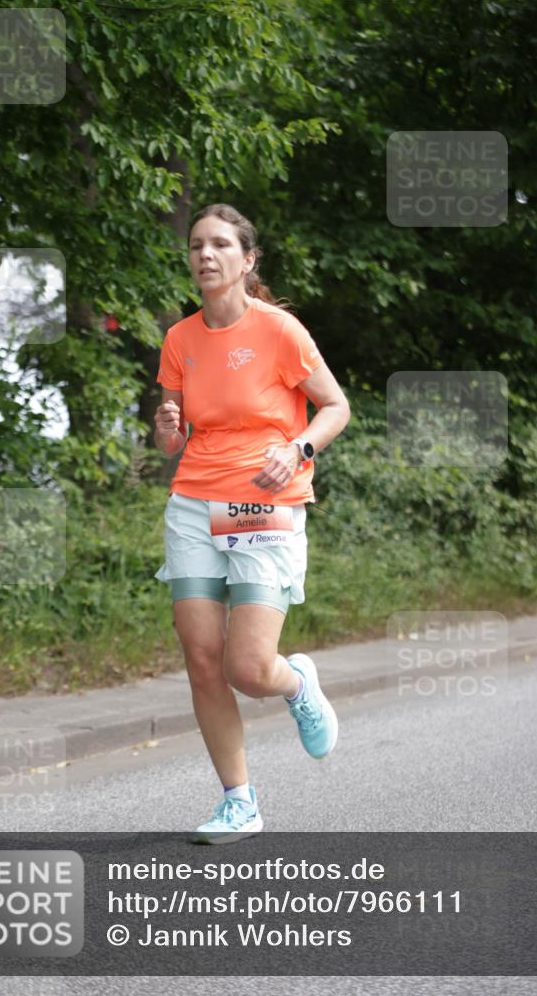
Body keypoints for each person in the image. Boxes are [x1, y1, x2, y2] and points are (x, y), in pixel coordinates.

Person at [153, 203, 351, 844]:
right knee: (202, 659)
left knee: (247, 666)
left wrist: (298, 449)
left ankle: (295, 684)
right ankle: (239, 802)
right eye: (196, 245)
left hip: (266, 503)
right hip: (194, 503)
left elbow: (335, 406)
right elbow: (172, 440)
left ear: (247, 259)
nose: (205, 255)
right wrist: (166, 429)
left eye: (220, 245)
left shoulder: (279, 331)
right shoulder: (180, 339)